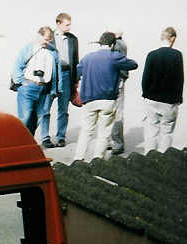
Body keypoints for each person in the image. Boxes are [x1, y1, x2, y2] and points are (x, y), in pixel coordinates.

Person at [73, 32, 137, 161]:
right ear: (112, 44)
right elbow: (133, 64)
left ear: (99, 43)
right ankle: (97, 159)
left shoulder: (87, 58)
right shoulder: (114, 57)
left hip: (89, 98)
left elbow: (78, 71)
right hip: (107, 100)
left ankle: (78, 158)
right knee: (104, 133)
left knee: (86, 131)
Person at [12, 26, 62, 141]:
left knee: (39, 117)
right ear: (39, 36)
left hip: (44, 89)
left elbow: (57, 72)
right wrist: (22, 82)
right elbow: (17, 66)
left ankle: (29, 143)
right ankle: (18, 144)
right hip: (28, 87)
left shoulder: (53, 51)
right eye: (45, 39)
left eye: (49, 39)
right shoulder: (29, 48)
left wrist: (55, 89)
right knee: (25, 117)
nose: (47, 42)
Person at [141, 27, 184, 154]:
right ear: (173, 39)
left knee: (151, 130)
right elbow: (179, 78)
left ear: (162, 38)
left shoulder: (152, 55)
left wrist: (146, 94)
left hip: (151, 99)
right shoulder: (177, 55)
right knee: (167, 132)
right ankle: (164, 159)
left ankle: (149, 157)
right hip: (169, 101)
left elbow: (145, 78)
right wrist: (178, 99)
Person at [41, 12, 79, 148]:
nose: (69, 27)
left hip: (67, 75)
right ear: (58, 23)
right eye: (67, 25)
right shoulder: (48, 38)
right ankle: (45, 137)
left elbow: (75, 61)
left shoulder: (73, 39)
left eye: (70, 24)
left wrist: (75, 82)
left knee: (63, 109)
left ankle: (61, 136)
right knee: (45, 108)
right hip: (51, 77)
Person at [109, 28, 128, 155]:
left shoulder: (117, 45)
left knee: (115, 114)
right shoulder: (122, 44)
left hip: (115, 82)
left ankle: (116, 143)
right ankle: (115, 142)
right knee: (116, 112)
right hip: (118, 81)